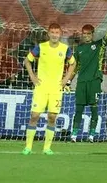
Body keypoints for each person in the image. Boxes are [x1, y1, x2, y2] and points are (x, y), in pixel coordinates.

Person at [23, 23, 76, 155]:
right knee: (35, 115)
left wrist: (65, 80)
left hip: (56, 89)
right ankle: (28, 147)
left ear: (60, 34)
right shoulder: (41, 47)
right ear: (48, 34)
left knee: (52, 117)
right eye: (52, 32)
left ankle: (47, 148)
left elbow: (73, 63)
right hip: (41, 87)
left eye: (57, 32)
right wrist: (33, 77)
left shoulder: (65, 49)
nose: (54, 35)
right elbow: (27, 61)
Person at [70, 14, 107, 143]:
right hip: (81, 81)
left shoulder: (99, 45)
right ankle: (74, 134)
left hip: (94, 80)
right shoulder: (79, 49)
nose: (86, 36)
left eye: (88, 34)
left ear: (92, 34)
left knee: (94, 107)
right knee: (79, 108)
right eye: (84, 34)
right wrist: (68, 80)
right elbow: (75, 67)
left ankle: (92, 135)